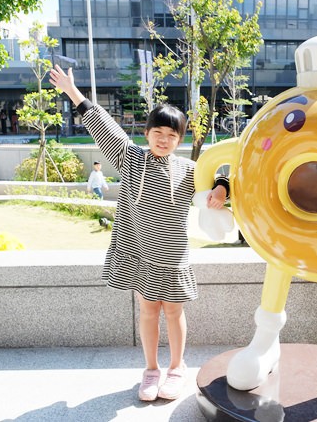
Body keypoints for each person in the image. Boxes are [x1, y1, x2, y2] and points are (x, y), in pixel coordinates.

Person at [48, 64, 229, 402]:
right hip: (141, 253)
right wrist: (74, 93)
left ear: (181, 138)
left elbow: (222, 177)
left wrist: (221, 186)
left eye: (172, 135)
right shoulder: (130, 158)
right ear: (147, 133)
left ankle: (177, 368)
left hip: (173, 255)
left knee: (174, 311)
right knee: (148, 310)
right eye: (158, 132)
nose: (164, 140)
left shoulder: (189, 169)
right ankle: (150, 369)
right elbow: (102, 125)